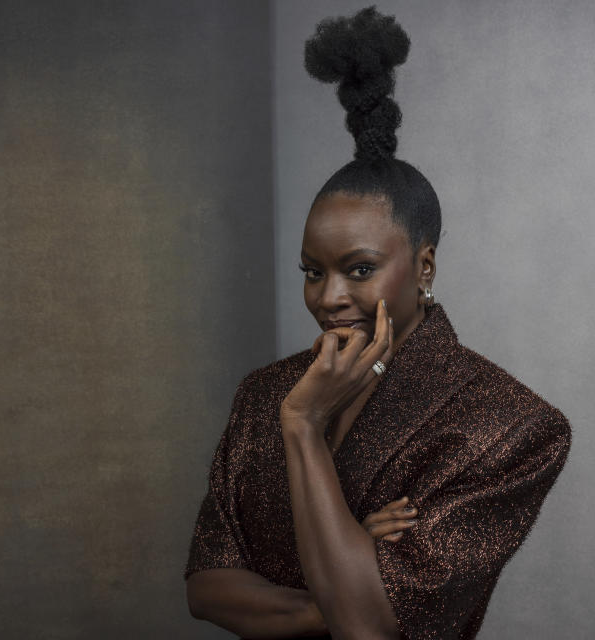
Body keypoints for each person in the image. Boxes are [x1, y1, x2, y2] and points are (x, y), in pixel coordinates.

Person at [183, 6, 571, 639]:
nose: (328, 297)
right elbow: (206, 588)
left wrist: (305, 428)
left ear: (423, 265)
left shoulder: (509, 427)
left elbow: (367, 628)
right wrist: (336, 587)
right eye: (312, 271)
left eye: (358, 270)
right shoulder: (263, 396)